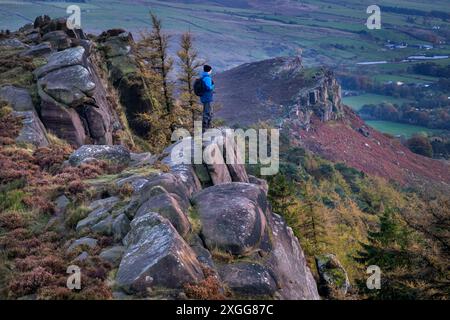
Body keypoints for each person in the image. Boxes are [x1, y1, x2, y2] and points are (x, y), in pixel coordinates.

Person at [200, 65, 215, 130]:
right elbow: (209, 87)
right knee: (208, 112)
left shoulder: (203, 77)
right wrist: (213, 86)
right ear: (209, 70)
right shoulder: (207, 78)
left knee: (206, 111)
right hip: (207, 97)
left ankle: (206, 126)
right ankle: (206, 127)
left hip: (204, 97)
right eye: (211, 70)